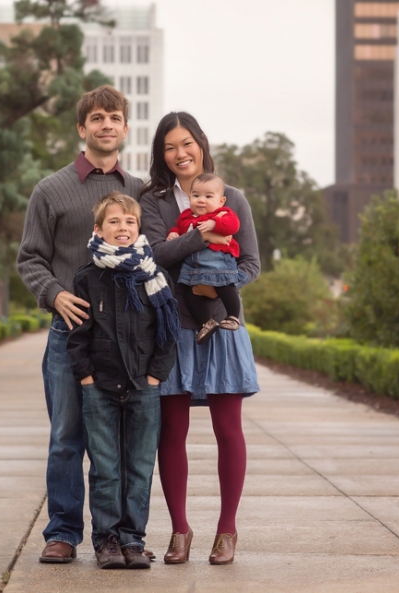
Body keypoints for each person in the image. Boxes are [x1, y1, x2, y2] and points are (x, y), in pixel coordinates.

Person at [16, 85, 144, 564]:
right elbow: (30, 259)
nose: (106, 124)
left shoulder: (139, 193)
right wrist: (55, 294)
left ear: (125, 129)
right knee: (67, 438)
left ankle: (119, 537)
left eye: (114, 117)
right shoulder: (50, 191)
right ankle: (63, 532)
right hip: (70, 334)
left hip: (127, 341)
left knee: (121, 445)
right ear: (82, 128)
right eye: (97, 118)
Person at [139, 112, 261, 565]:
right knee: (171, 432)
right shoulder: (152, 201)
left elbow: (249, 263)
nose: (180, 154)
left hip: (223, 328)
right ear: (161, 155)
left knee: (228, 430)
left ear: (200, 143)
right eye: (169, 147)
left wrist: (215, 288)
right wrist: (200, 235)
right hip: (172, 328)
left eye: (186, 143)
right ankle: (179, 530)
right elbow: (154, 256)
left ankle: (227, 530)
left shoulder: (234, 198)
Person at [67, 192, 179, 569]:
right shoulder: (86, 278)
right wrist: (85, 378)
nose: (123, 228)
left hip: (142, 387)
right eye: (114, 222)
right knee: (105, 467)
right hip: (99, 386)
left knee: (139, 466)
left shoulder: (154, 277)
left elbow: (168, 333)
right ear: (98, 229)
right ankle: (107, 540)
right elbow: (77, 335)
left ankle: (133, 540)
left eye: (130, 222)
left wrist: (153, 377)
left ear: (138, 228)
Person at [166, 172, 248, 344]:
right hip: (193, 269)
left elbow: (233, 225)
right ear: (190, 197)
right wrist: (173, 233)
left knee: (226, 286)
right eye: (196, 196)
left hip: (218, 263)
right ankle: (207, 323)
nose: (201, 200)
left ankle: (233, 316)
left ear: (221, 201)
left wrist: (214, 224)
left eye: (208, 196)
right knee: (189, 294)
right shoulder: (186, 216)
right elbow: (179, 228)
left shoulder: (223, 213)